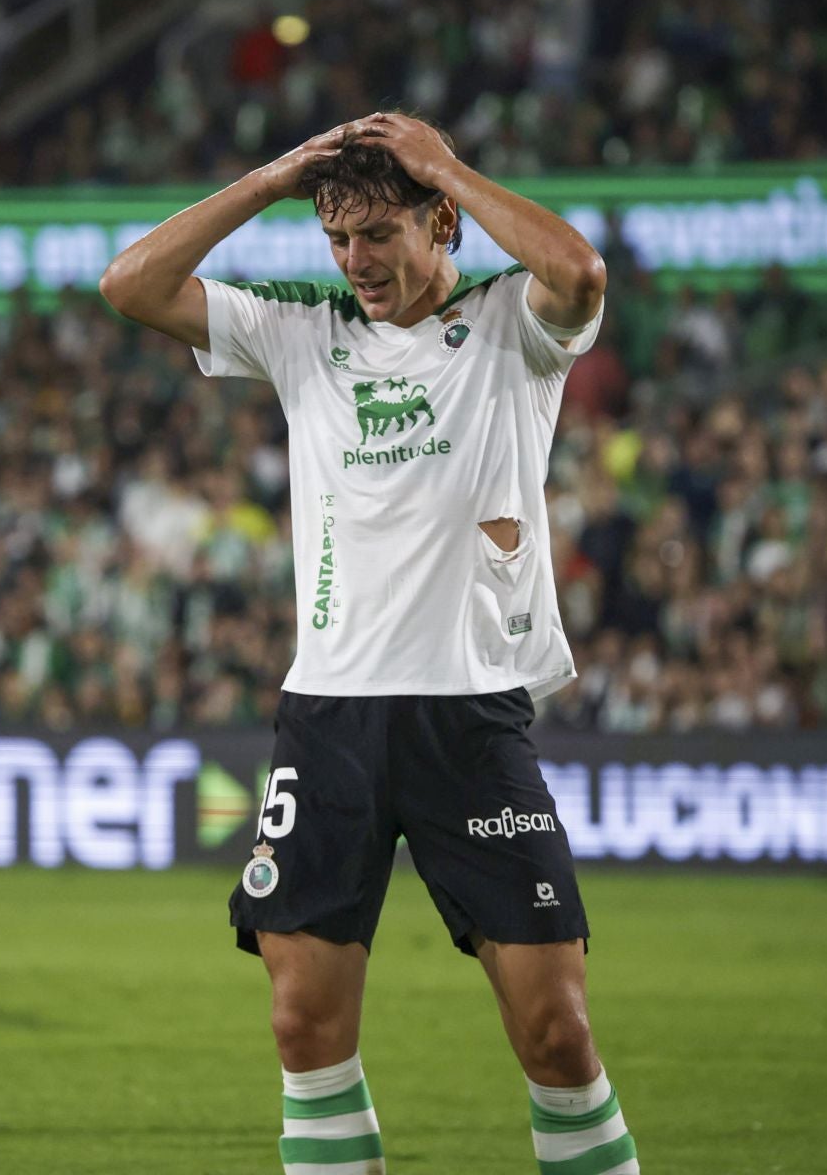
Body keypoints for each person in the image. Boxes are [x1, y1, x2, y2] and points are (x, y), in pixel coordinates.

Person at [100, 113, 637, 1175]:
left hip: (470, 714)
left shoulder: (509, 326)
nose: (357, 262)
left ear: (444, 220)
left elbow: (579, 268)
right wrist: (271, 178)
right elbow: (130, 284)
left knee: (557, 1033)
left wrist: (445, 165)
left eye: (381, 233)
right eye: (339, 238)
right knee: (304, 1026)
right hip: (332, 715)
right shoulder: (305, 331)